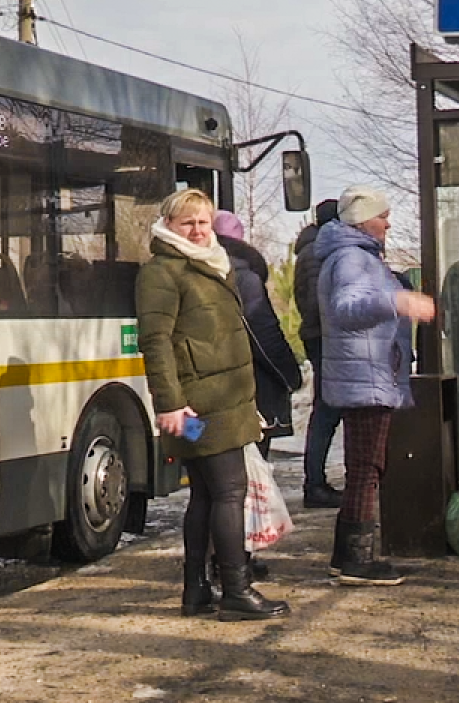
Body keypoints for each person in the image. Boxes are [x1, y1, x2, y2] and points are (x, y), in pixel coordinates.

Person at [136, 189, 289, 621]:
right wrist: (170, 404)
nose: (199, 231)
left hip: (225, 398)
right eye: (189, 223)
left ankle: (197, 591)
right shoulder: (163, 272)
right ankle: (236, 591)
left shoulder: (208, 263)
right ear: (169, 226)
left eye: (204, 222)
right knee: (228, 491)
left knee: (206, 494)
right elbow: (156, 341)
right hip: (200, 404)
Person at [315, 186, 437, 585]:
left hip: (366, 374)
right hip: (364, 377)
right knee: (366, 467)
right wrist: (398, 302)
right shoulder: (353, 258)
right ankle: (357, 560)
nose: (388, 222)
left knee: (364, 466)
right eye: (382, 215)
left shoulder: (358, 256)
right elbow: (345, 310)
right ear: (361, 219)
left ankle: (346, 555)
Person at [214, 210, 302, 579]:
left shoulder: (203, 272)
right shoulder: (243, 277)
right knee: (241, 482)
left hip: (214, 393)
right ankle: (237, 561)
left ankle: (220, 561)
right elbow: (264, 334)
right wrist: (291, 375)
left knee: (215, 485)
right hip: (249, 392)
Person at [292, 199, 345, 508]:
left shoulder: (309, 250)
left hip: (317, 336)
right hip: (325, 337)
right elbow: (316, 302)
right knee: (327, 410)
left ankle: (316, 481)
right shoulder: (319, 252)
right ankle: (315, 483)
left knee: (326, 408)